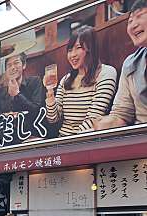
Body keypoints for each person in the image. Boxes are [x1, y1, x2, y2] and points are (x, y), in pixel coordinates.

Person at [44, 25, 117, 136]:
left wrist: (70, 144)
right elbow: (53, 118)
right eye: (70, 50)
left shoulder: (106, 73)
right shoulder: (66, 80)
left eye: (78, 48)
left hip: (85, 142)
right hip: (62, 141)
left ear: (90, 49)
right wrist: (50, 91)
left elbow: (93, 119)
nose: (72, 55)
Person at [95, 0, 147, 130]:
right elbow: (122, 114)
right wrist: (100, 125)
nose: (133, 25)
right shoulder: (130, 63)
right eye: (129, 21)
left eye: (140, 16)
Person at [0, 52, 46, 136]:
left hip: (31, 132)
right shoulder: (1, 89)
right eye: (9, 65)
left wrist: (17, 94)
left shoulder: (34, 81)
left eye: (16, 63)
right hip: (8, 134)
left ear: (24, 65)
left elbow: (37, 110)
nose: (12, 67)